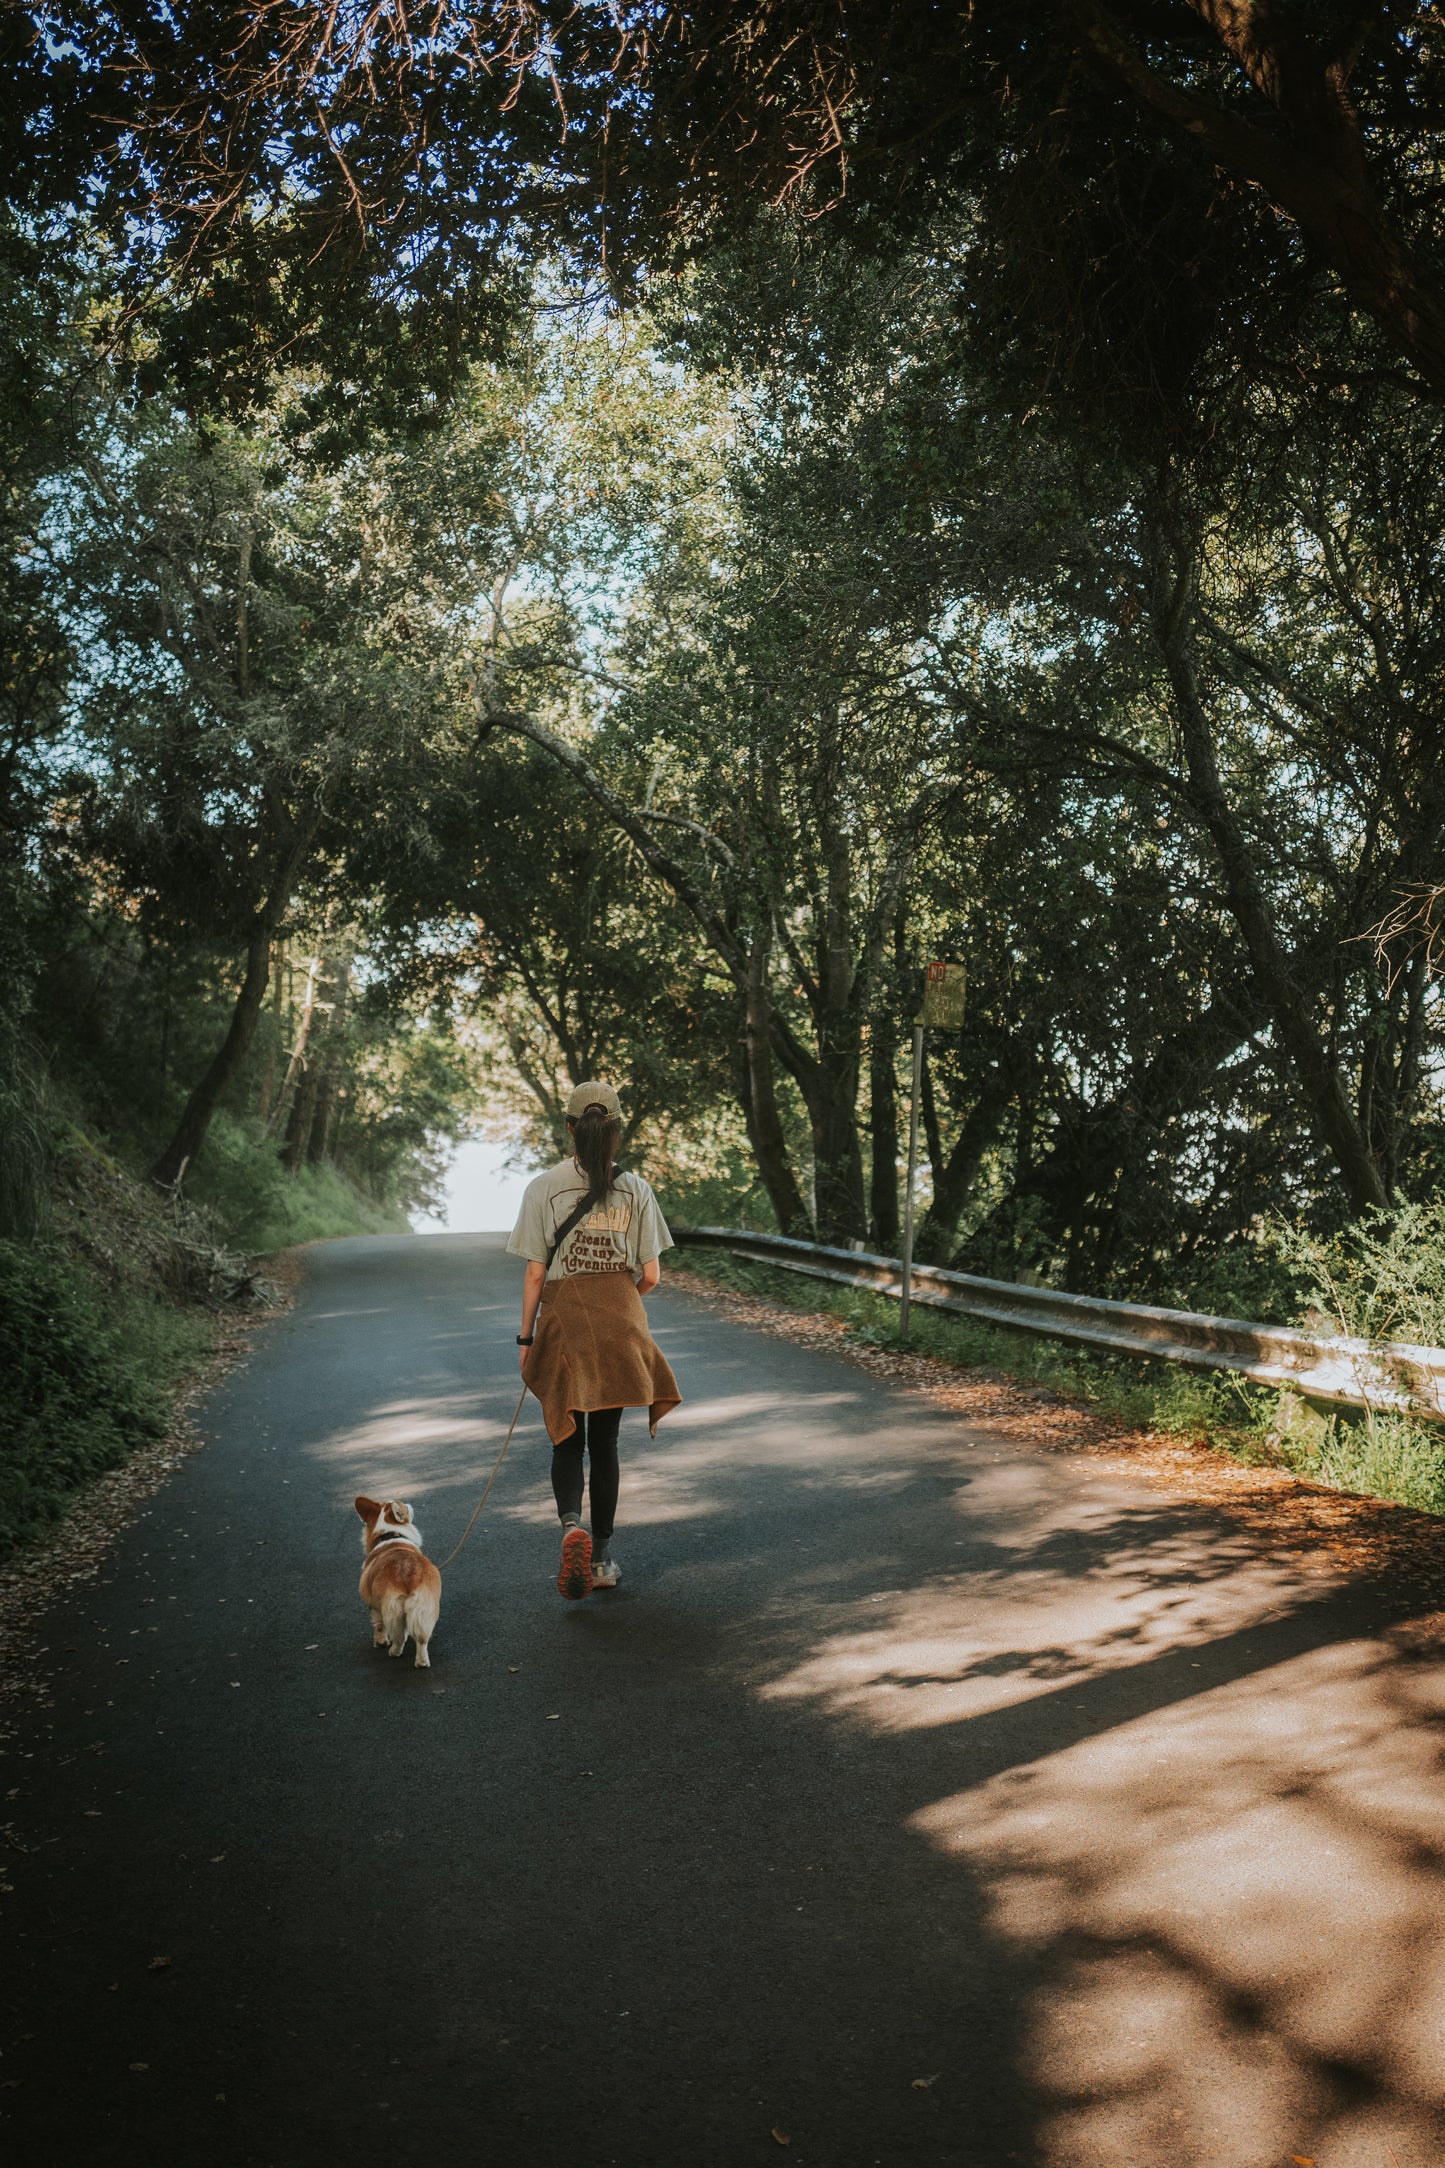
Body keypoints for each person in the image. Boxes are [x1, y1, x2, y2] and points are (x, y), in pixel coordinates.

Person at [507, 1081, 681, 1600]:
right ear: (617, 1130)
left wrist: (525, 1337)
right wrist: (616, 1297)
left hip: (565, 1324)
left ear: (569, 1127)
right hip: (621, 1322)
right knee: (605, 1443)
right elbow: (650, 1276)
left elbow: (536, 1274)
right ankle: (601, 1559)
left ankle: (570, 1527)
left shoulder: (543, 1187)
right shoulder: (638, 1190)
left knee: (567, 1436)